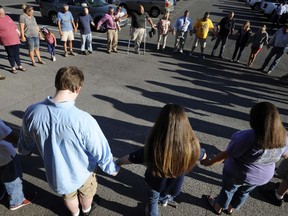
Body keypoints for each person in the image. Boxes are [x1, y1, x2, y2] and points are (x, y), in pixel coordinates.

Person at [17, 66, 119, 216]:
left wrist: (24, 150)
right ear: (77, 89)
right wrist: (111, 167)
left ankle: (75, 213)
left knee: (68, 195)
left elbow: (25, 139)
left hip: (58, 174)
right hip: (83, 171)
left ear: (57, 84)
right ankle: (86, 209)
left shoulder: (32, 111)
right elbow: (99, 148)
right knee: (87, 193)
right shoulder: (83, 119)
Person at [116, 104, 206, 216]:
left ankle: (153, 213)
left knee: (153, 201)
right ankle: (164, 201)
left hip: (155, 184)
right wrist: (205, 158)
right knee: (167, 195)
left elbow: (133, 157)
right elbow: (202, 154)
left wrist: (118, 162)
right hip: (174, 187)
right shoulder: (192, 147)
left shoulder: (155, 147)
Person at [201, 102, 288, 215]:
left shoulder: (248, 137)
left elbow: (227, 154)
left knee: (228, 190)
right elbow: (286, 155)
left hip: (238, 173)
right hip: (262, 177)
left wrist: (208, 162)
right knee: (244, 192)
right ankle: (231, 208)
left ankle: (218, 206)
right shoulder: (284, 136)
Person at [0, 119, 32, 210]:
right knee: (12, 179)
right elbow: (9, 135)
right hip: (5, 156)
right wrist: (25, 148)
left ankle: (1, 193)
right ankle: (17, 201)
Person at [0, 6, 26, 73]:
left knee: (17, 54)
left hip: (15, 39)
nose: (3, 12)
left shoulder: (7, 17)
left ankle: (19, 66)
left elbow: (14, 26)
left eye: (3, 11)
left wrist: (19, 33)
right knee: (11, 54)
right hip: (7, 41)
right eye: (1, 12)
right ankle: (13, 67)